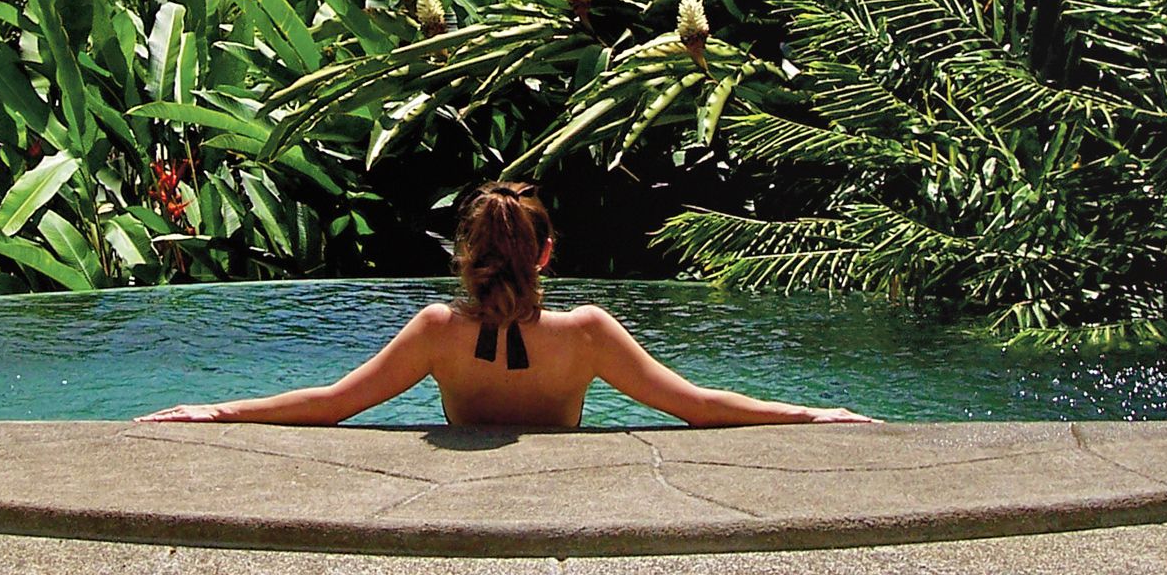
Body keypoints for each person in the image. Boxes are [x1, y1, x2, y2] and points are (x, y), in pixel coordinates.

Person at [137, 180, 878, 427]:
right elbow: (698, 407)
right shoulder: (586, 334)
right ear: (547, 253)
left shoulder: (436, 332)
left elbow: (332, 404)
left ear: (465, 257)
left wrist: (220, 410)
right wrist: (812, 413)